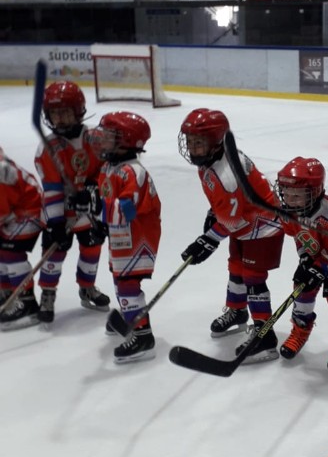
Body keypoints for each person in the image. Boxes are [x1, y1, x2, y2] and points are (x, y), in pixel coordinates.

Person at [178, 108, 284, 363]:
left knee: (253, 278)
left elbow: (233, 219)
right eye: (190, 142)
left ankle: (264, 335)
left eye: (198, 143)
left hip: (263, 227)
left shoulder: (226, 174)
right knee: (236, 268)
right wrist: (214, 213)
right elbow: (229, 208)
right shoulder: (210, 160)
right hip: (245, 223)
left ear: (216, 141)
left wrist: (208, 240)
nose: (192, 148)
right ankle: (237, 311)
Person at [34, 80, 110, 324]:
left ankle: (87, 287)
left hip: (88, 213)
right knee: (53, 255)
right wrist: (56, 223)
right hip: (59, 215)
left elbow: (106, 172)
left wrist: (93, 189)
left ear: (78, 111)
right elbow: (52, 190)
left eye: (65, 112)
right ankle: (47, 294)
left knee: (92, 249)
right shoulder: (48, 148)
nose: (59, 119)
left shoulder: (96, 139)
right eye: (54, 114)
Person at [92, 111, 162, 364]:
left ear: (128, 140)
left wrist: (97, 210)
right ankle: (129, 315)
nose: (102, 139)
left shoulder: (133, 172)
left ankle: (143, 337)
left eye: (110, 136)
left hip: (138, 237)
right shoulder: (110, 166)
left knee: (127, 283)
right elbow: (106, 200)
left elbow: (127, 210)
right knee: (119, 277)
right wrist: (99, 221)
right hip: (121, 234)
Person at [275, 156, 328, 371]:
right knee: (301, 287)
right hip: (318, 256)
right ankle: (300, 332)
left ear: (315, 191)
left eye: (296, 195)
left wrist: (320, 269)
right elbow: (299, 237)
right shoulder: (288, 211)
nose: (289, 200)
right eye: (286, 193)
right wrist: (305, 258)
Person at [0, 147, 43, 329]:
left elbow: (2, 210)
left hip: (30, 212)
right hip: (15, 212)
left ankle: (27, 302)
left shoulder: (1, 171)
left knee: (10, 251)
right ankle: (8, 292)